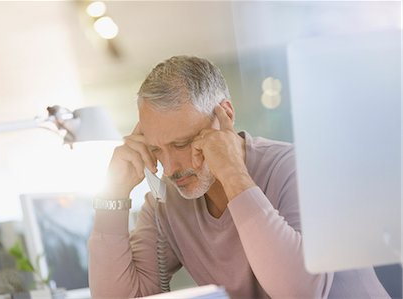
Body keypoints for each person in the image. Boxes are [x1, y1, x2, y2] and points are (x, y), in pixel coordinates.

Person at [88, 56, 389, 298]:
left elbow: (300, 292)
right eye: (156, 149)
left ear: (225, 116)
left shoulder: (295, 167)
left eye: (181, 144)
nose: (169, 168)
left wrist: (233, 174)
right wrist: (113, 197)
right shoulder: (166, 201)